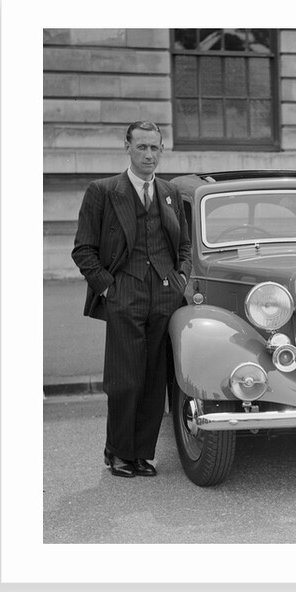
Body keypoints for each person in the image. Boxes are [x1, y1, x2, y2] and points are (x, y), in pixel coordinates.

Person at [71, 121, 191, 478]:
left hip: (165, 295)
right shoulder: (103, 191)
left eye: (154, 148)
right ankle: (119, 452)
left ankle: (142, 454)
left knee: (155, 378)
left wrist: (180, 275)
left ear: (162, 150)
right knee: (125, 379)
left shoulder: (169, 192)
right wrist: (109, 288)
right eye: (141, 147)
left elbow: (183, 245)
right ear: (127, 147)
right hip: (125, 293)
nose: (149, 155)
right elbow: (83, 250)